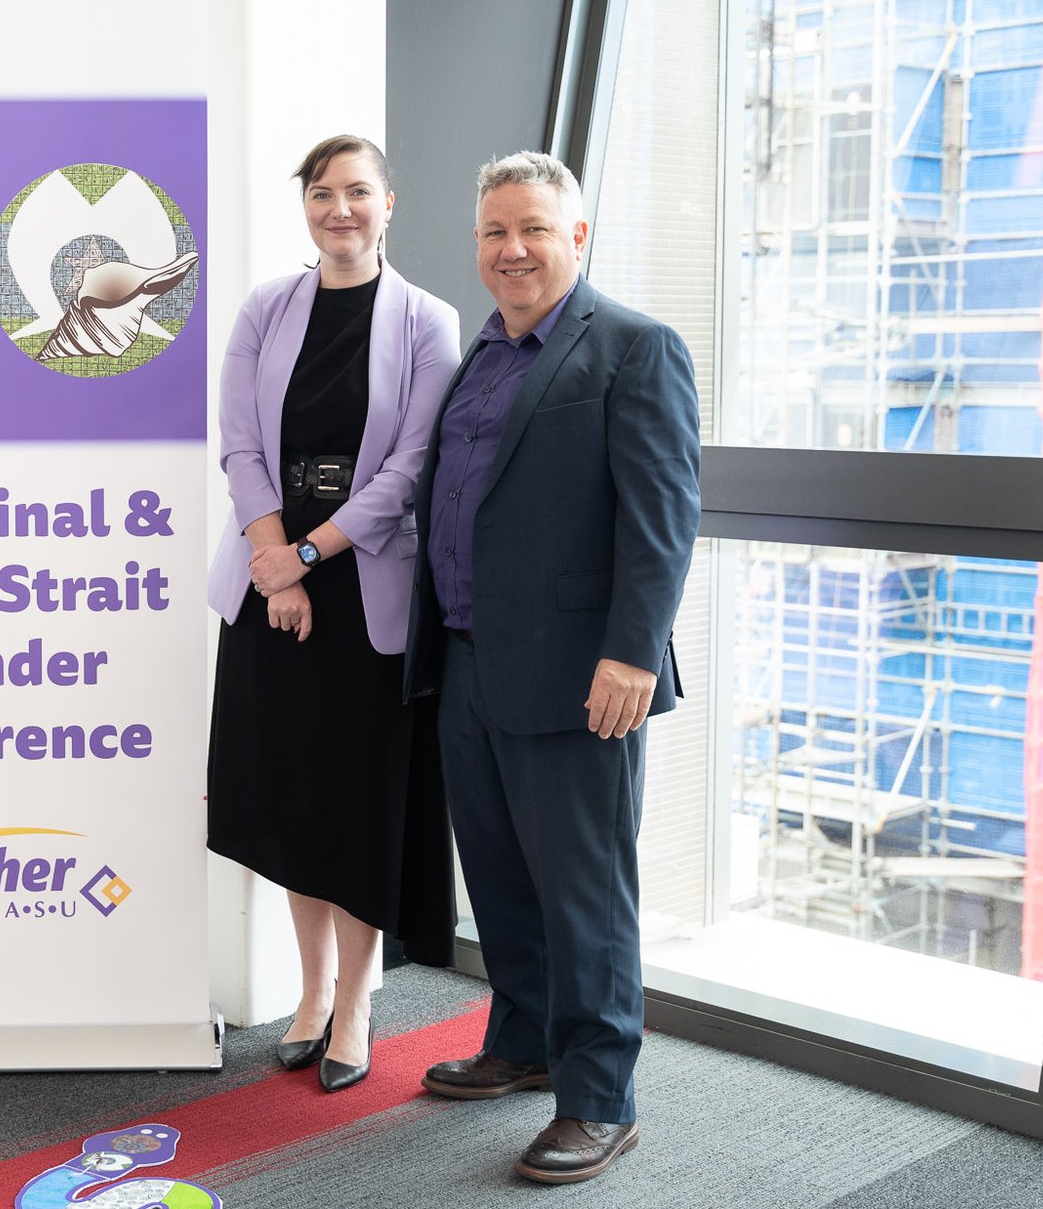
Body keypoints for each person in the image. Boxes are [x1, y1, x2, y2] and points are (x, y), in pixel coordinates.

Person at [406, 151, 700, 1184]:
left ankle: (599, 1098)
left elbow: (661, 521)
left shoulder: (631, 347)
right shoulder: (476, 356)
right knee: (499, 876)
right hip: (470, 659)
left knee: (584, 894)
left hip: (583, 676)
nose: (511, 248)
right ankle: (523, 1043)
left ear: (577, 238)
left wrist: (629, 651)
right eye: (493, 231)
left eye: (532, 228)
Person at [207, 135, 460, 1094]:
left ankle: (357, 997)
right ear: (304, 204)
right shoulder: (266, 309)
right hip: (269, 584)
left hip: (364, 594)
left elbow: (408, 471)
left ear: (389, 202)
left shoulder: (426, 322)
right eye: (323, 192)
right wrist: (276, 569)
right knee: (288, 799)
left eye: (358, 191)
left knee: (355, 805)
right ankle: (310, 990)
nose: (340, 208)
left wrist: (309, 556)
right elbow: (238, 446)